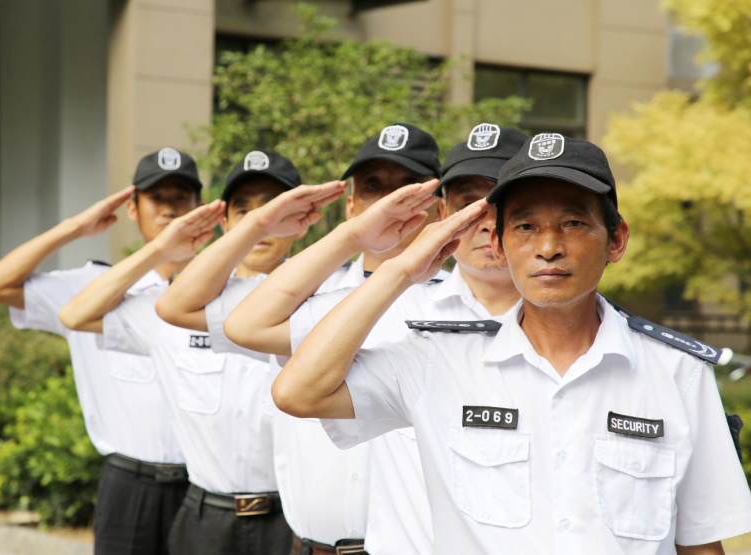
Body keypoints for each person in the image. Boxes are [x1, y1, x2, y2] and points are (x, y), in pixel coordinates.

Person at [274, 133, 751, 554]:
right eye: (524, 227)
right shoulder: (437, 361)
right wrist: (401, 270)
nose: (548, 247)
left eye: (573, 223)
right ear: (500, 245)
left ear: (616, 240)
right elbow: (298, 392)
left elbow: (699, 541)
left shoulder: (676, 372)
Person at [223, 123, 527, 554]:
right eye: (468, 204)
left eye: (498, 201)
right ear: (446, 213)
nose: (483, 220)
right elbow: (245, 327)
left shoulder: (567, 330)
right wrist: (357, 237)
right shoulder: (393, 302)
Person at [157, 124, 443, 555]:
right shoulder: (300, 294)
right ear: (351, 205)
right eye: (372, 187)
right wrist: (260, 222)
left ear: (440, 208)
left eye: (409, 187)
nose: (391, 201)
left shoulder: (461, 308)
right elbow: (178, 306)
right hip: (305, 546)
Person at [59, 149, 344, 555]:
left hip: (290, 521)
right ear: (224, 221)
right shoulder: (185, 306)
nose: (258, 221)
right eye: (243, 210)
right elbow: (75, 314)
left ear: (301, 221)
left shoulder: (330, 299)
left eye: (272, 208)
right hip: (204, 520)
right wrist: (160, 249)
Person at [0, 148, 216, 555]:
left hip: (205, 485)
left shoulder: (219, 288)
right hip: (129, 487)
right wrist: (74, 227)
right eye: (157, 198)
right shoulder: (91, 287)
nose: (170, 210)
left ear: (200, 207)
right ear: (132, 209)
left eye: (181, 198)